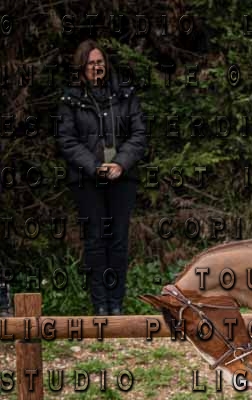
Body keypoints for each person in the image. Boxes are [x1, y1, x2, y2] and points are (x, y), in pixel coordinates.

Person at [57, 40, 147, 315]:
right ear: (81, 67)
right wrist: (95, 166)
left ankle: (116, 304)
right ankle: (100, 305)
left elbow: (139, 134)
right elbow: (67, 140)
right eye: (90, 64)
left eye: (100, 62)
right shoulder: (70, 99)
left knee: (118, 241)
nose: (96, 68)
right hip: (87, 180)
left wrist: (120, 163)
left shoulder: (125, 94)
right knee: (95, 241)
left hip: (122, 178)